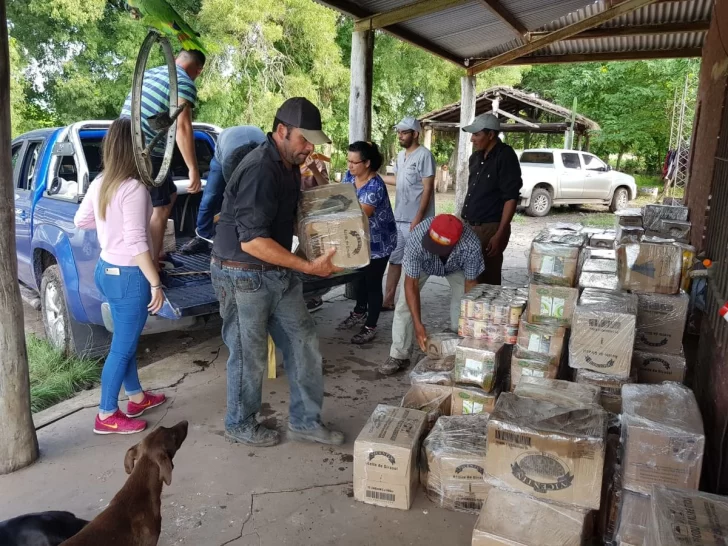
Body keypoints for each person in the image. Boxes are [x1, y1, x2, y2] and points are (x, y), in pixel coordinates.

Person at [211, 97, 343, 447]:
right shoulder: (259, 168)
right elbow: (253, 241)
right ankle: (239, 422)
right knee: (249, 353)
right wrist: (307, 265)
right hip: (242, 275)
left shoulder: (288, 165)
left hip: (276, 272)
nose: (309, 148)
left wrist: (311, 241)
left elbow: (289, 214)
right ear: (282, 131)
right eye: (304, 139)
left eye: (313, 141)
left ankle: (305, 420)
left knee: (304, 343)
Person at [74, 118, 167, 434]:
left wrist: (107, 228)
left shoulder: (102, 182)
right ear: (136, 148)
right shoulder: (134, 188)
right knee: (123, 347)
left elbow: (81, 219)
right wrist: (155, 281)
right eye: (143, 141)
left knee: (123, 341)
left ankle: (137, 397)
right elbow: (137, 241)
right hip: (129, 276)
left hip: (106, 271)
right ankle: (106, 413)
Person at [120, 49, 206, 269]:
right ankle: (151, 265)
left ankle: (154, 254)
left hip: (122, 142)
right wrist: (193, 169)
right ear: (198, 69)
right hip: (145, 150)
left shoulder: (153, 73)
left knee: (170, 194)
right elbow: (183, 127)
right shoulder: (183, 81)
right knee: (160, 207)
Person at [380, 214, 484, 375]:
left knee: (462, 303)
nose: (435, 251)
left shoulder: (471, 244)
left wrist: (470, 320)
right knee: (404, 305)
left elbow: (470, 284)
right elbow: (411, 283)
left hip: (456, 267)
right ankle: (399, 355)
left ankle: (458, 347)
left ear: (456, 242)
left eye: (440, 248)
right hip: (423, 265)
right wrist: (418, 324)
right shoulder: (417, 239)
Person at [336, 141, 397, 344]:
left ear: (367, 163)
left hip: (379, 242)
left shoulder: (375, 187)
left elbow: (359, 216)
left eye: (355, 162)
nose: (350, 166)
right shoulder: (350, 176)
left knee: (372, 283)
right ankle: (359, 312)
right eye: (348, 161)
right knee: (360, 278)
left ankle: (370, 325)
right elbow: (338, 194)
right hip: (360, 239)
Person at [179, 125, 266, 253]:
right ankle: (201, 237)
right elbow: (232, 192)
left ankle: (254, 236)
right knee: (210, 196)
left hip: (251, 144)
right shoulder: (229, 162)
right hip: (224, 149)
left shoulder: (265, 158)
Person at [460, 113, 522, 285]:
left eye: (476, 134)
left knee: (488, 282)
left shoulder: (505, 156)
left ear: (491, 135)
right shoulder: (476, 158)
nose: (472, 139)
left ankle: (487, 313)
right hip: (470, 226)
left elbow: (511, 198)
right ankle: (469, 312)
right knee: (469, 278)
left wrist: (500, 233)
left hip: (490, 228)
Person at [382, 116, 436, 310]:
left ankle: (408, 305)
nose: (400, 136)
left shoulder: (424, 156)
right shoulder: (400, 156)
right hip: (399, 218)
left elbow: (428, 188)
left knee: (414, 264)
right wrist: (374, 176)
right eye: (399, 133)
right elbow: (398, 180)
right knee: (395, 260)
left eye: (404, 133)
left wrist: (419, 218)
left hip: (417, 221)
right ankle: (387, 300)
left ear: (415, 134)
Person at [299, 151, 330, 312]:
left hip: (312, 216)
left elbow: (326, 187)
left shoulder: (318, 162)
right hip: (293, 215)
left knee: (313, 252)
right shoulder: (290, 161)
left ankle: (315, 296)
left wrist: (314, 170)